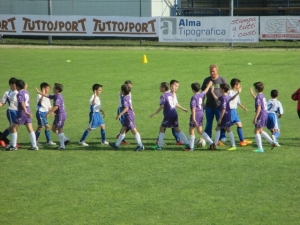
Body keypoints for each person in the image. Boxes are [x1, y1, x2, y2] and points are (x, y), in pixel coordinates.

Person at [150, 82, 189, 150]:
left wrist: (155, 113)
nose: (159, 88)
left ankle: (159, 146)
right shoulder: (170, 94)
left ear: (163, 88)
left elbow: (162, 106)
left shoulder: (163, 96)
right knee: (176, 129)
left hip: (168, 115)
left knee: (162, 128)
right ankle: (188, 143)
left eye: (160, 87)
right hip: (174, 113)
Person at [4, 79, 38, 150]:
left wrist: (25, 112)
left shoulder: (19, 93)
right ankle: (34, 146)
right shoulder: (26, 92)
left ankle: (13, 146)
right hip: (29, 111)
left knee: (13, 127)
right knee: (30, 128)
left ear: (17, 86)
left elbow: (22, 103)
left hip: (22, 113)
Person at [110, 84, 144, 151]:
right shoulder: (127, 96)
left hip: (128, 116)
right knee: (123, 130)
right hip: (129, 115)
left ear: (122, 91)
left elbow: (126, 108)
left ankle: (141, 146)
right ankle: (116, 145)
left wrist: (120, 114)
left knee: (134, 131)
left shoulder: (124, 98)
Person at [36, 83, 70, 150]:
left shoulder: (58, 97)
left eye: (54, 88)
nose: (52, 89)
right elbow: (47, 95)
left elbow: (56, 107)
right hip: (59, 115)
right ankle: (65, 139)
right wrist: (40, 92)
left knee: (59, 129)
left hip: (60, 115)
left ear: (57, 90)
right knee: (54, 128)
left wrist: (49, 112)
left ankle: (62, 146)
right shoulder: (56, 95)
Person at [200, 64, 227, 145]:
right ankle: (208, 136)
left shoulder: (222, 79)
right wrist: (202, 103)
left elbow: (226, 92)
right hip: (209, 105)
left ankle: (222, 137)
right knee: (209, 122)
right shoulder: (206, 80)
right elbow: (203, 93)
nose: (212, 73)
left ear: (217, 71)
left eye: (214, 71)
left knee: (220, 121)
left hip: (219, 106)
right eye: (211, 71)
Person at [250, 82, 280, 153]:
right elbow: (260, 102)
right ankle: (272, 142)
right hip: (265, 114)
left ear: (256, 89)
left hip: (261, 115)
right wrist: (252, 94)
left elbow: (259, 108)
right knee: (260, 130)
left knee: (256, 131)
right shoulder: (262, 95)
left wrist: (255, 117)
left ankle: (260, 148)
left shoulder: (258, 97)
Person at [210, 83, 240, 151]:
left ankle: (233, 145)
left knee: (228, 129)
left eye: (220, 88)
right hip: (227, 114)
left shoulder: (224, 98)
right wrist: (212, 92)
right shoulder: (226, 96)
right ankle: (215, 144)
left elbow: (223, 109)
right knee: (218, 128)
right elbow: (217, 99)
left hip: (225, 115)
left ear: (223, 89)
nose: (219, 89)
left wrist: (220, 118)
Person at [186, 81, 214, 151]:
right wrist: (209, 84)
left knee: (191, 129)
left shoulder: (194, 97)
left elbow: (193, 108)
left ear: (193, 89)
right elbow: (205, 91)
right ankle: (211, 143)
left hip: (196, 114)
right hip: (201, 113)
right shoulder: (201, 94)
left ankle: (191, 147)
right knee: (200, 130)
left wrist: (193, 118)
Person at [228, 78, 252, 147]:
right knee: (226, 126)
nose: (240, 85)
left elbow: (238, 102)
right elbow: (231, 99)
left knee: (239, 124)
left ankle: (242, 141)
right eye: (239, 84)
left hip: (234, 111)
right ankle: (219, 139)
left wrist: (244, 107)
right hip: (230, 111)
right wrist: (238, 93)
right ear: (235, 85)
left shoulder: (236, 93)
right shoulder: (230, 92)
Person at [0, 77, 21, 148]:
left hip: (18, 111)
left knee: (15, 126)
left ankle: (2, 138)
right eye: (15, 84)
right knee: (13, 126)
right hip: (11, 111)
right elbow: (2, 103)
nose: (17, 85)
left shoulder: (19, 91)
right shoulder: (7, 93)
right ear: (11, 84)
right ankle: (13, 143)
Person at [116, 80, 132, 145]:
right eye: (128, 86)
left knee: (128, 125)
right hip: (122, 110)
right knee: (125, 125)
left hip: (128, 110)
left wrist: (132, 110)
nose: (130, 88)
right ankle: (121, 139)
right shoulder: (121, 93)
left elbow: (130, 103)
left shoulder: (129, 93)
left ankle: (120, 136)